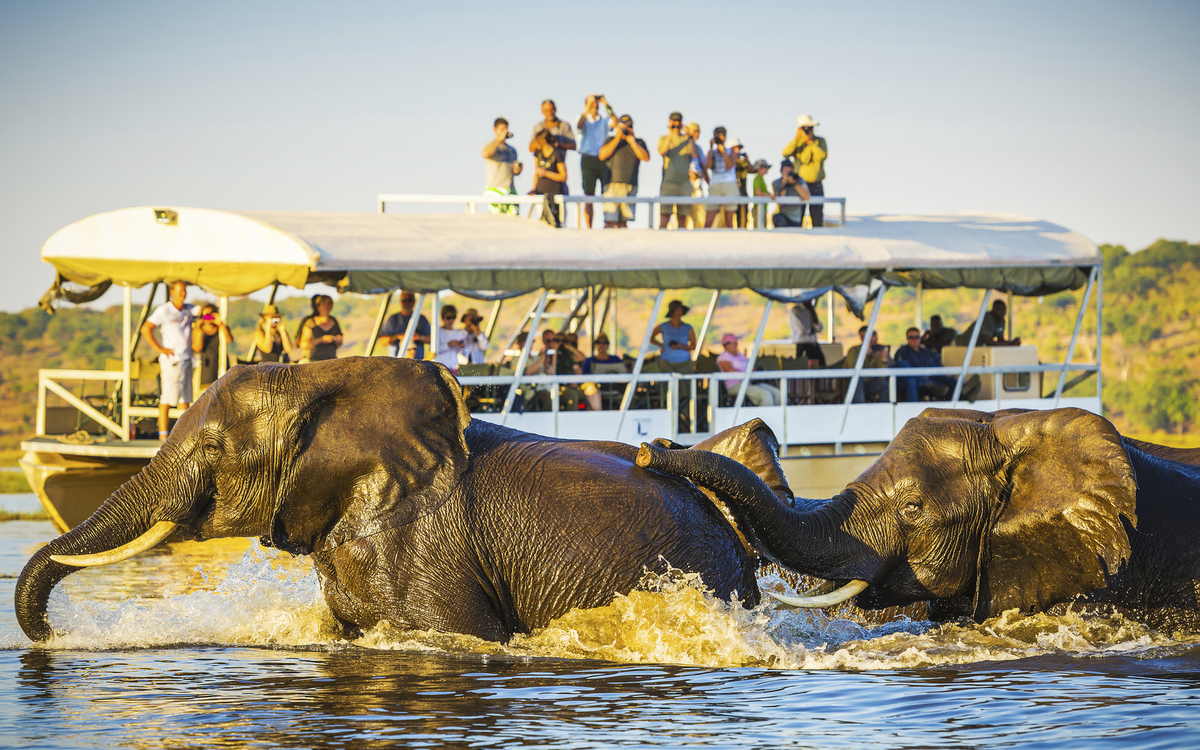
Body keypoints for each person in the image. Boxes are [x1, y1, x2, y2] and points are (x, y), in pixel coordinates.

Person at [141, 280, 194, 440]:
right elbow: (146, 328)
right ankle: (163, 435)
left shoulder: (189, 310)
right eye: (180, 291)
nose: (183, 294)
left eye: (184, 291)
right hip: (172, 360)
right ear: (172, 293)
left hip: (187, 359)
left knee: (185, 398)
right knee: (168, 397)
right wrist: (159, 349)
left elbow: (206, 313)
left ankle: (186, 434)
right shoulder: (164, 310)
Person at [894, 326, 981, 402]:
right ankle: (966, 397)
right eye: (911, 337)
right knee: (940, 388)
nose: (914, 340)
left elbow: (936, 364)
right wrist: (921, 375)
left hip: (933, 376)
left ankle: (964, 388)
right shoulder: (903, 351)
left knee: (947, 380)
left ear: (920, 338)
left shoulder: (926, 352)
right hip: (920, 381)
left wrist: (944, 372)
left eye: (917, 337)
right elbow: (901, 366)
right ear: (907, 339)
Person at [598, 115, 649, 228]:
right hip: (611, 185)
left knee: (624, 222)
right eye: (625, 127)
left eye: (629, 126)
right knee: (610, 221)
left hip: (630, 185)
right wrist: (618, 138)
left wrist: (633, 142)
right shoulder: (610, 140)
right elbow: (602, 155)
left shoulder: (638, 142)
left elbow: (645, 158)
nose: (627, 129)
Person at [577, 94, 616, 229]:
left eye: (596, 103)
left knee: (608, 193)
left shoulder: (604, 119)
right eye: (592, 103)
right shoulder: (584, 118)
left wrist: (607, 104)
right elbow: (579, 125)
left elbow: (615, 123)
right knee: (589, 195)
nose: (595, 105)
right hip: (588, 159)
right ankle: (589, 227)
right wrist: (587, 108)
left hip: (604, 160)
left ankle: (608, 223)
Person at [658, 112, 702, 229]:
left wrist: (690, 137)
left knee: (683, 218)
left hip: (684, 184)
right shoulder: (664, 138)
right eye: (674, 122)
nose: (676, 124)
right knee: (664, 217)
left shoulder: (687, 139)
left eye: (678, 122)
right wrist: (670, 133)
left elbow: (695, 155)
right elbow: (662, 152)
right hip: (668, 182)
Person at [782, 115, 828, 227]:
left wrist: (811, 143)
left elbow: (822, 156)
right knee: (798, 217)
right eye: (806, 128)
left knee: (817, 218)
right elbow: (785, 154)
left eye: (811, 127)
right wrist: (796, 139)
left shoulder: (820, 141)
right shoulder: (797, 144)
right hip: (800, 186)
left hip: (816, 186)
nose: (809, 130)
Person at [717, 333, 781, 406]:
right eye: (733, 343)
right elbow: (729, 370)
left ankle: (777, 415)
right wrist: (746, 373)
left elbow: (751, 367)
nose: (736, 344)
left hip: (750, 382)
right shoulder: (724, 356)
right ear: (726, 344)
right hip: (736, 385)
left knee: (777, 393)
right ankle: (765, 416)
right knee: (765, 395)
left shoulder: (740, 355)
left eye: (736, 342)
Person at [482, 117, 523, 214]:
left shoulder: (512, 150)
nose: (505, 132)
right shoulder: (490, 145)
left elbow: (514, 171)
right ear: (495, 130)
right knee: (497, 221)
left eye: (506, 129)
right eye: (502, 129)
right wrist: (498, 140)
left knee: (514, 220)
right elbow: (485, 154)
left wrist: (518, 170)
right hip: (495, 189)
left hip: (510, 189)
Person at [192, 303, 234, 391]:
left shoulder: (221, 327)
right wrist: (199, 329)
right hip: (206, 366)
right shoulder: (198, 329)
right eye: (205, 314)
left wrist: (220, 324)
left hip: (221, 363)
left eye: (210, 314)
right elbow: (197, 348)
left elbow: (229, 340)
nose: (208, 317)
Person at [378, 291, 432, 359]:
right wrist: (398, 336)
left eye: (409, 300)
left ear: (414, 301)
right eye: (404, 300)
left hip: (418, 363)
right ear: (400, 301)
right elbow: (382, 341)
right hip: (396, 364)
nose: (407, 303)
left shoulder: (421, 319)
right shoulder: (393, 319)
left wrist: (420, 337)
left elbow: (432, 340)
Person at [844, 326, 891, 403]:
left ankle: (884, 409)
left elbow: (882, 376)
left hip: (871, 383)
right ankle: (861, 409)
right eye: (864, 337)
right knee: (858, 382)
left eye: (872, 336)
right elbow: (853, 370)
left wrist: (883, 360)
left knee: (885, 384)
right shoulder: (854, 351)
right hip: (856, 383)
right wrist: (864, 356)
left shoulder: (880, 351)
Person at [531, 130, 567, 227]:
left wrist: (546, 173)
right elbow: (535, 173)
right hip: (540, 193)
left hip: (556, 194)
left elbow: (563, 176)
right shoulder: (538, 153)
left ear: (543, 141)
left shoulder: (557, 154)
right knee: (542, 224)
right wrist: (533, 188)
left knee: (558, 224)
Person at [705, 126, 739, 228]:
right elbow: (708, 166)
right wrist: (711, 148)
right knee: (708, 221)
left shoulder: (731, 151)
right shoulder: (712, 152)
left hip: (729, 184)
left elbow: (729, 166)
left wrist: (723, 152)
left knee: (729, 221)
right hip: (715, 184)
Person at [650, 299, 696, 373]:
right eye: (678, 310)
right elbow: (650, 337)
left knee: (685, 383)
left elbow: (694, 346)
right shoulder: (663, 326)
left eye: (681, 310)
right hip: (667, 362)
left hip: (684, 363)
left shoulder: (688, 328)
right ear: (672, 312)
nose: (680, 312)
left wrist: (682, 346)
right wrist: (661, 345)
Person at [581, 332, 624, 410]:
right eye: (598, 342)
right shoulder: (590, 360)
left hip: (615, 388)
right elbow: (585, 375)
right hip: (597, 389)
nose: (601, 345)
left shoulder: (615, 359)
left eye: (604, 343)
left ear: (608, 344)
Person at [955, 300, 1022, 347]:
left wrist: (1012, 342)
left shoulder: (1001, 321)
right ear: (994, 309)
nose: (1002, 312)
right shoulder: (988, 318)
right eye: (1000, 310)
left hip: (975, 346)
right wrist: (1010, 344)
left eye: (1004, 310)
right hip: (963, 344)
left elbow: (1000, 339)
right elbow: (988, 341)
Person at [299, 295, 342, 362]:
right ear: (318, 307)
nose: (327, 306)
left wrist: (338, 340)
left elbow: (338, 344)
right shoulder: (311, 322)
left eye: (329, 303)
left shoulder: (334, 321)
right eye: (324, 303)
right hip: (313, 361)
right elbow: (303, 344)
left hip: (331, 361)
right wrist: (321, 340)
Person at [771, 159, 811, 228]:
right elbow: (781, 202)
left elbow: (807, 196)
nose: (789, 174)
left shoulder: (799, 180)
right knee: (778, 220)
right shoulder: (776, 183)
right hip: (782, 215)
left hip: (795, 218)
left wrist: (795, 183)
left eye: (790, 172)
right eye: (786, 172)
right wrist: (785, 184)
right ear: (781, 172)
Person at [788, 299, 825, 366]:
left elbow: (819, 328)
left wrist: (812, 312)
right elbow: (802, 329)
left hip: (813, 344)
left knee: (821, 366)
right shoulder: (796, 310)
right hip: (802, 344)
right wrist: (812, 329)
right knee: (803, 367)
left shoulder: (810, 310)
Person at [686, 122, 707, 229]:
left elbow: (704, 166)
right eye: (693, 131)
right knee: (683, 217)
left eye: (697, 131)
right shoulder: (682, 146)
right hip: (685, 184)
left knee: (700, 217)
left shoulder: (699, 149)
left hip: (698, 184)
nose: (696, 134)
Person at [434, 304, 468, 371]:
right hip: (440, 367)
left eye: (453, 317)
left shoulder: (458, 333)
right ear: (443, 317)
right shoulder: (437, 332)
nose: (451, 320)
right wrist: (448, 345)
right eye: (448, 317)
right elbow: (434, 350)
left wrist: (462, 346)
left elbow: (464, 353)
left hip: (454, 366)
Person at [729, 137, 752, 229]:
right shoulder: (727, 162)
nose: (738, 150)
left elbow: (752, 170)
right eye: (735, 148)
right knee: (727, 221)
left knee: (742, 222)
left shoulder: (743, 162)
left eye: (739, 148)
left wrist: (747, 159)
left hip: (742, 195)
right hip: (730, 195)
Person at [750, 159, 771, 228]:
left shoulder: (761, 179)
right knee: (759, 229)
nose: (767, 169)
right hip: (758, 208)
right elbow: (758, 193)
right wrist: (770, 195)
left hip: (762, 208)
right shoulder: (757, 178)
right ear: (759, 168)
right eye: (764, 167)